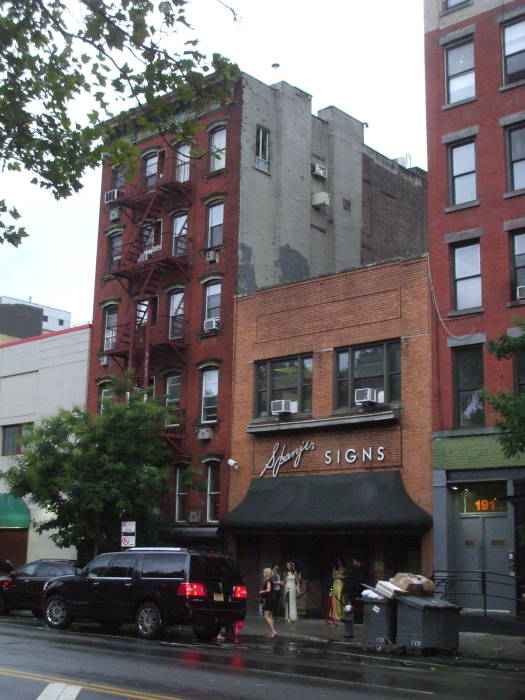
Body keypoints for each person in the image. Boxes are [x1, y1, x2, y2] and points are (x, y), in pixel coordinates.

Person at [260, 567, 277, 638]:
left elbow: (268, 590)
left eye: (264, 572)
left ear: (267, 573)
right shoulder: (269, 580)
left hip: (269, 600)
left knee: (266, 616)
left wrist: (262, 591)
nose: (263, 573)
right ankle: (272, 632)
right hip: (271, 599)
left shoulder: (269, 580)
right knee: (270, 616)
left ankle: (273, 631)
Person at [331, 557, 346, 623]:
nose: (339, 562)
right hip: (335, 583)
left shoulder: (343, 568)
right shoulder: (335, 568)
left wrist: (340, 577)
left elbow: (345, 576)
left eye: (340, 561)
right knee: (334, 597)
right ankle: (336, 615)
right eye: (338, 561)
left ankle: (341, 614)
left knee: (339, 597)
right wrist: (339, 576)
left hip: (341, 583)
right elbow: (333, 577)